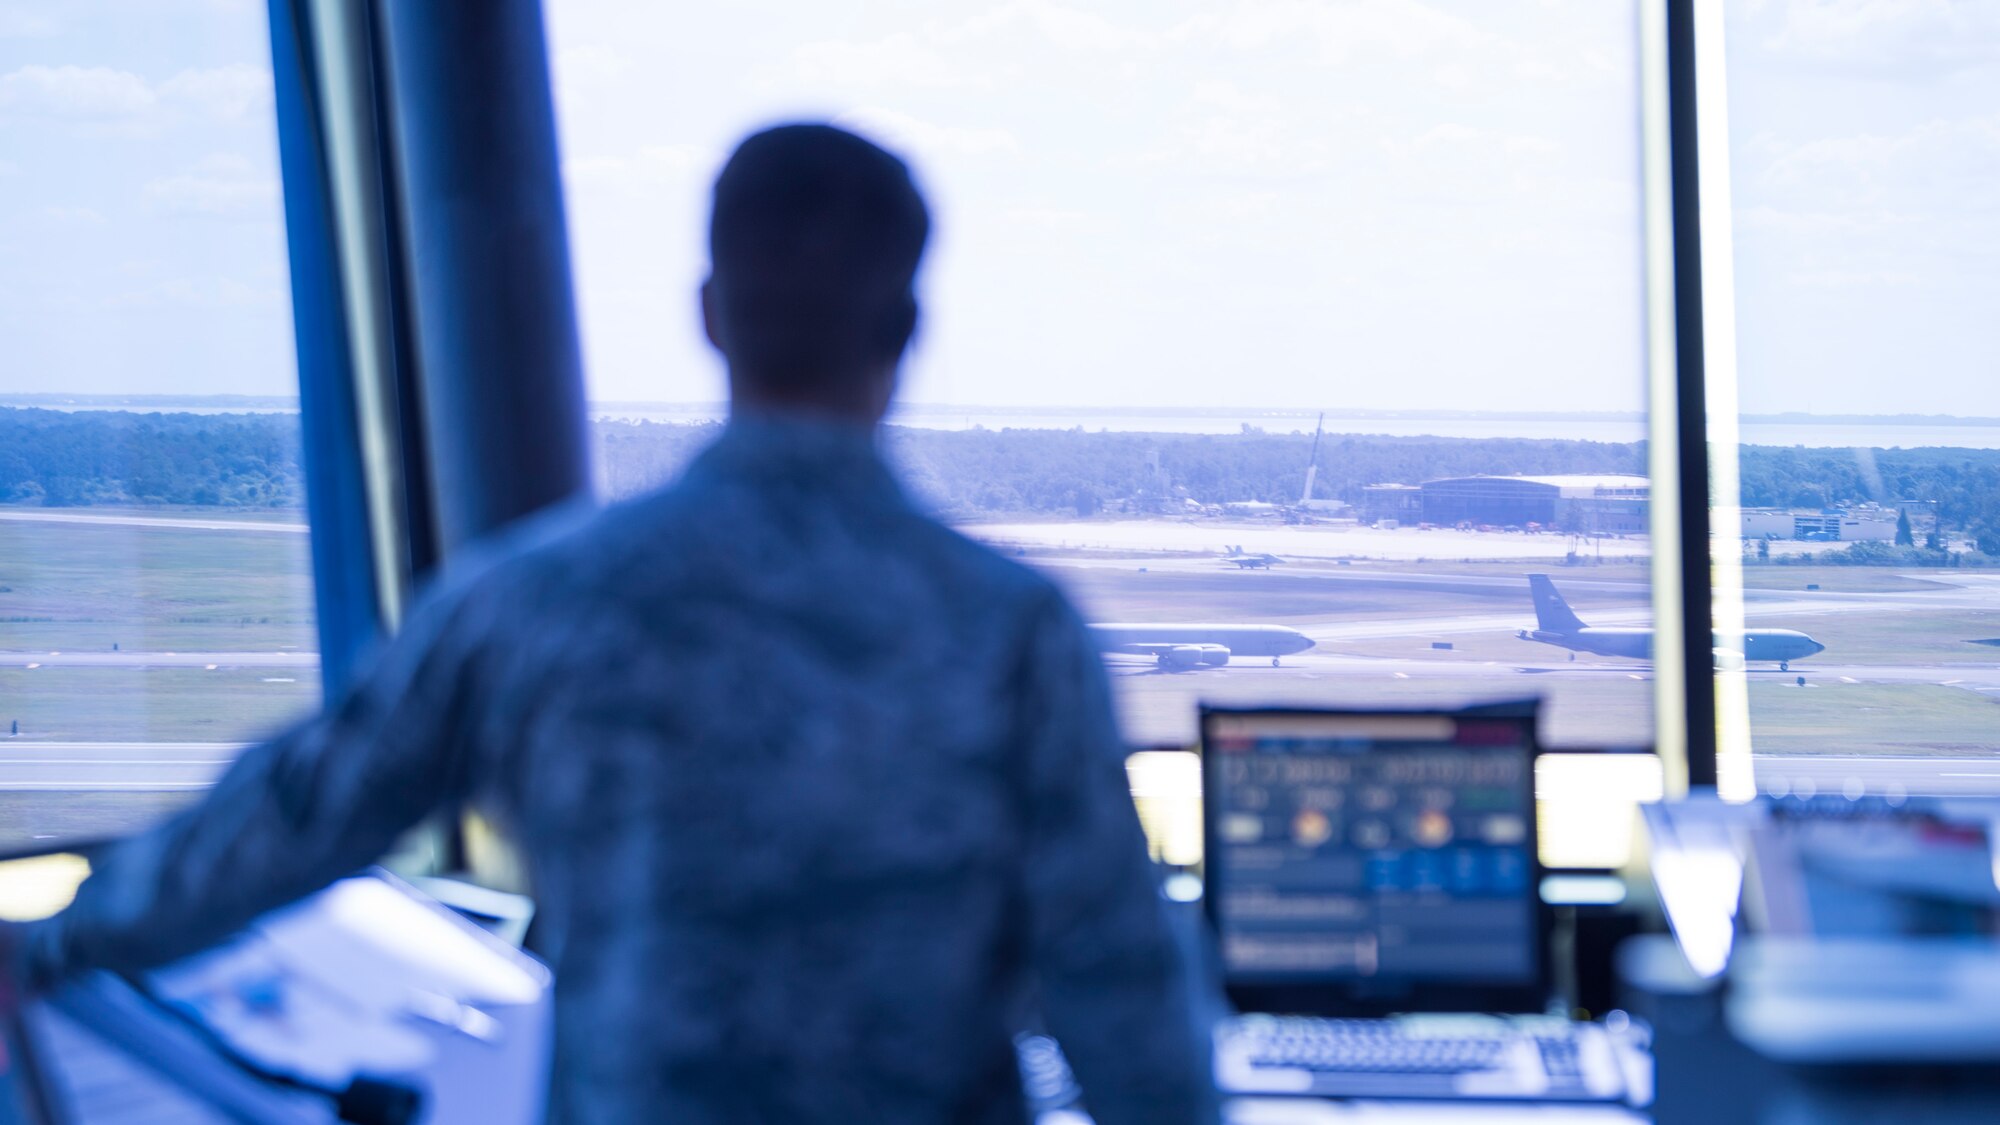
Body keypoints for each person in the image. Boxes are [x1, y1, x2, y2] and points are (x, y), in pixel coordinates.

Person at [0, 124, 1218, 1124]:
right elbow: (1113, 982)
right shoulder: (1011, 632)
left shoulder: (533, 599)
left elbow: (295, 817)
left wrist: (58, 944)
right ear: (903, 332)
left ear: (708, 315)